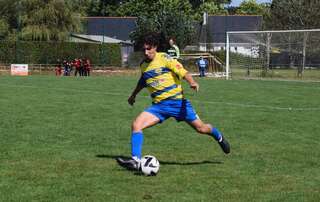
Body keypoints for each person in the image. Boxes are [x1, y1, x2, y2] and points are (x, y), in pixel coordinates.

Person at [117, 33, 230, 171]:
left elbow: (183, 72)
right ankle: (135, 160)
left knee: (202, 128)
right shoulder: (143, 66)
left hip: (177, 104)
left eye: (149, 49)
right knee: (136, 125)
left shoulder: (164, 58)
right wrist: (133, 95)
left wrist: (192, 82)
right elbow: (143, 81)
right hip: (159, 107)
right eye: (143, 50)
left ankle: (218, 136)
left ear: (155, 47)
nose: (146, 52)